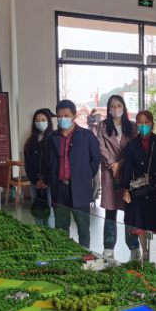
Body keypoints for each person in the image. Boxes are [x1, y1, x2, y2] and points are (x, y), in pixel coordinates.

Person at [48, 100, 101, 248]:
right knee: (61, 229)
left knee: (83, 228)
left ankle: (84, 256)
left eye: (66, 115)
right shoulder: (52, 138)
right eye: (59, 116)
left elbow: (96, 160)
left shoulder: (87, 136)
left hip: (80, 189)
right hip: (59, 189)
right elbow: (48, 161)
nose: (62, 118)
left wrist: (85, 177)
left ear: (74, 116)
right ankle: (64, 256)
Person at [122, 111, 156, 262]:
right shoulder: (131, 144)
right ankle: (145, 252)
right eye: (140, 123)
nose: (143, 125)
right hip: (140, 190)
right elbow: (127, 168)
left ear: (152, 124)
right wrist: (126, 191)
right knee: (140, 222)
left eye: (146, 122)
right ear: (136, 125)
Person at [96, 95, 138, 257]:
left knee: (130, 211)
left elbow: (135, 149)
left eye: (119, 105)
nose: (115, 109)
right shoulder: (102, 126)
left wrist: (120, 164)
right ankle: (108, 246)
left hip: (129, 172)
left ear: (124, 107)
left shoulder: (132, 127)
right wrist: (112, 164)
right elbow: (101, 147)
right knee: (110, 211)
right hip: (110, 173)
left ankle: (133, 246)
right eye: (112, 106)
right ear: (108, 108)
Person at [24, 109, 55, 227]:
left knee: (50, 208)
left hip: (50, 180)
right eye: (37, 120)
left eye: (43, 120)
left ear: (49, 121)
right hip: (35, 181)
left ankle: (50, 232)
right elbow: (27, 164)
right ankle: (39, 231)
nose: (40, 123)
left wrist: (47, 180)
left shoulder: (54, 139)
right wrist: (35, 180)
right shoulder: (29, 142)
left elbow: (55, 163)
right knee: (38, 207)